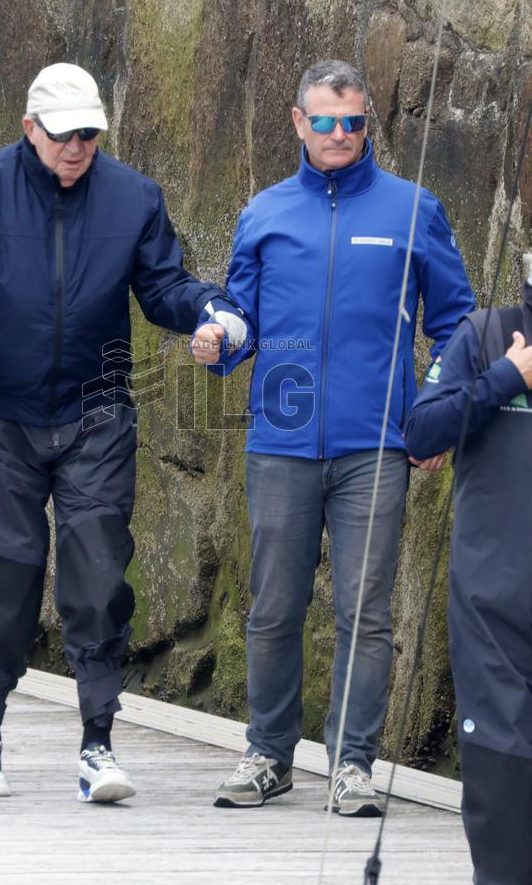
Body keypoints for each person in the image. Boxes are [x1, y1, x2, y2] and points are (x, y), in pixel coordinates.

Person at [0, 62, 245, 803]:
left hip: (96, 414)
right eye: (65, 134)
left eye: (91, 134)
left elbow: (163, 285)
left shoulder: (132, 197)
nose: (79, 147)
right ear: (30, 129)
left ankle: (97, 745)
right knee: (3, 582)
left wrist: (209, 311)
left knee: (99, 581)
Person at [191, 60, 474, 813]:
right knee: (274, 608)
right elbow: (239, 315)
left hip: (376, 445)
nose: (340, 135)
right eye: (325, 121)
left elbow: (455, 325)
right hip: (280, 441)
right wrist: (219, 336)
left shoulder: (416, 208)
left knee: (366, 611)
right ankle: (268, 755)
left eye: (353, 122)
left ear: (368, 122)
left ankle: (352, 765)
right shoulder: (264, 212)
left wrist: (439, 405)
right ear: (298, 123)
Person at [404, 256, 532, 885]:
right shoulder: (484, 334)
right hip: (493, 601)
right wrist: (506, 377)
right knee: (502, 766)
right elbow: (420, 434)